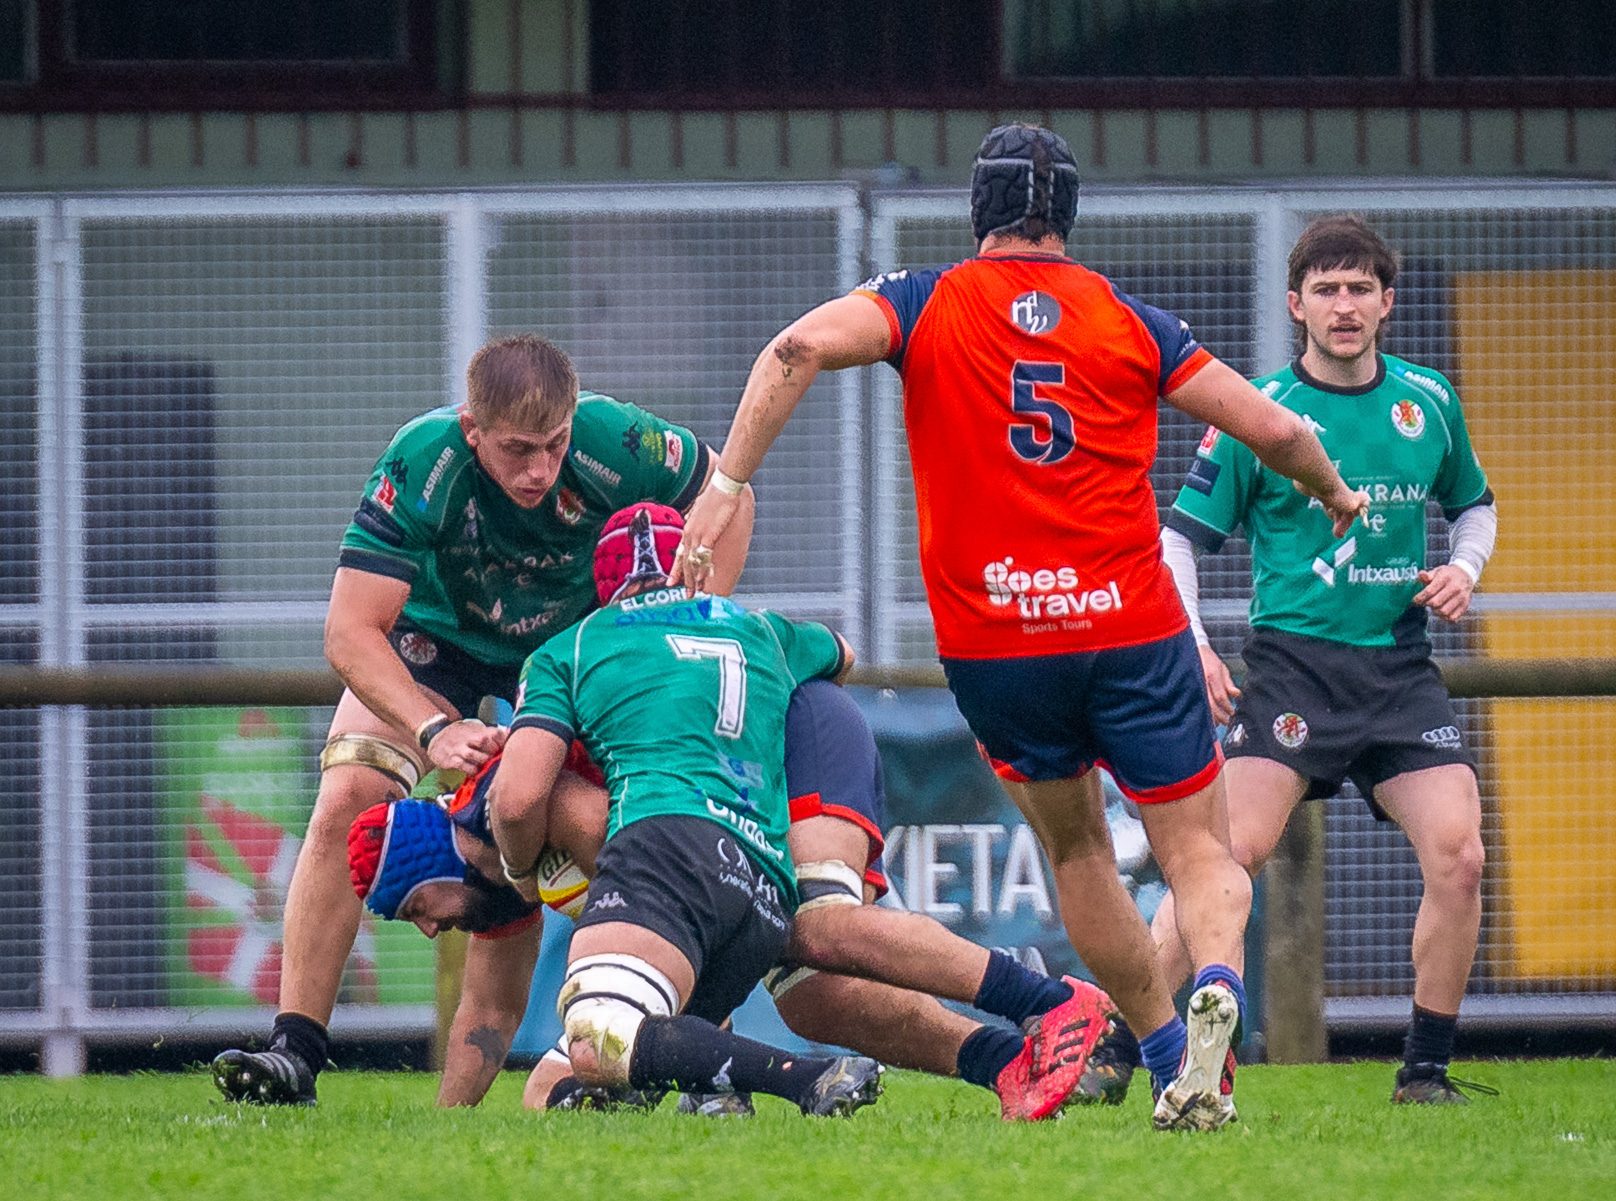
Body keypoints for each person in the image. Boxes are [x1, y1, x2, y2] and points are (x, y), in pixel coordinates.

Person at [669, 124, 1366, 1131]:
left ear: (979, 214)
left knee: (1079, 852)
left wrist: (727, 483)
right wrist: (1333, 491)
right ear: (1068, 219)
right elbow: (1277, 429)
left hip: (999, 642)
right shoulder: (1134, 321)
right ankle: (1218, 982)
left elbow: (799, 346)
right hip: (1129, 626)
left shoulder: (921, 301)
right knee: (1203, 857)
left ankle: (1173, 1053)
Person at [211, 334, 755, 1107]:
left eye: (554, 446)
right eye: (516, 450)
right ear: (473, 430)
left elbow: (731, 501)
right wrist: (434, 732)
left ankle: (708, 1066)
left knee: (653, 824)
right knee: (349, 787)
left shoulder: (620, 439)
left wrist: (686, 627)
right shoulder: (422, 458)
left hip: (570, 653)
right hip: (439, 643)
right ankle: (294, 1052)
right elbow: (347, 631)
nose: (539, 468)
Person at [1155, 214, 1498, 1106]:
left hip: (1397, 670)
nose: (1343, 306)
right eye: (1326, 289)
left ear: (1388, 302)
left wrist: (1464, 569)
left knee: (1460, 857)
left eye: (1360, 289)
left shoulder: (1429, 403)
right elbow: (1177, 542)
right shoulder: (1257, 412)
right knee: (1224, 856)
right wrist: (1193, 643)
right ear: (1294, 302)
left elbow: (1476, 507)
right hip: (1292, 671)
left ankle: (1423, 1072)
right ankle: (1128, 1044)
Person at [474, 501, 897, 1118]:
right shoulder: (758, 629)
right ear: (694, 566)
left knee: (596, 1034)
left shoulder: (577, 644)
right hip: (765, 885)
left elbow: (516, 802)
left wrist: (522, 874)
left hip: (669, 852)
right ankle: (713, 1090)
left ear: (602, 587)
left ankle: (805, 1077)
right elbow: (843, 653)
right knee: (584, 1071)